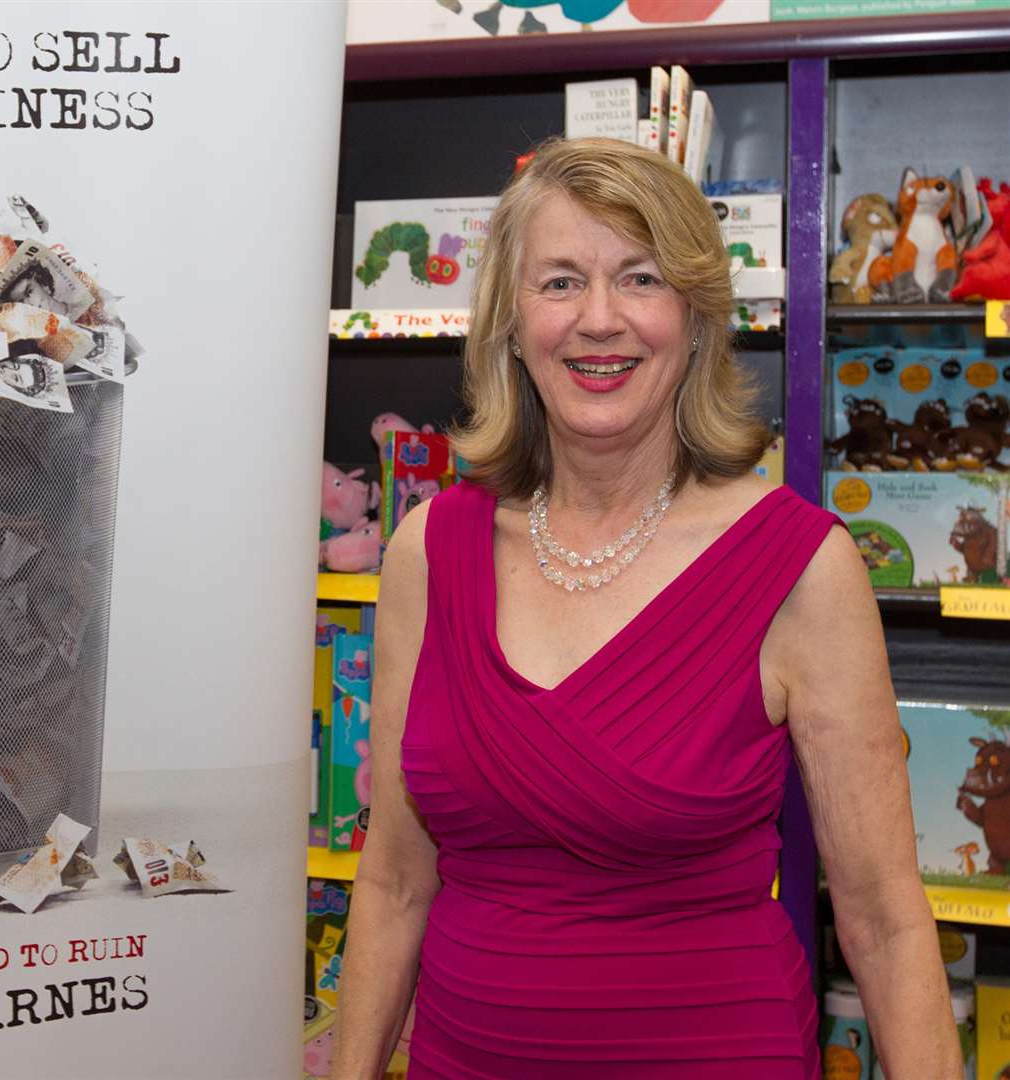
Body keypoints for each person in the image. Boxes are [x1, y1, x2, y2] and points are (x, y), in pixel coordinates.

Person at [332, 138, 955, 1078]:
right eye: (559, 283)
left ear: (697, 319)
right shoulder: (430, 551)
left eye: (640, 278)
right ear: (507, 321)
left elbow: (884, 918)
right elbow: (391, 881)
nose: (599, 320)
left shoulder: (800, 569)